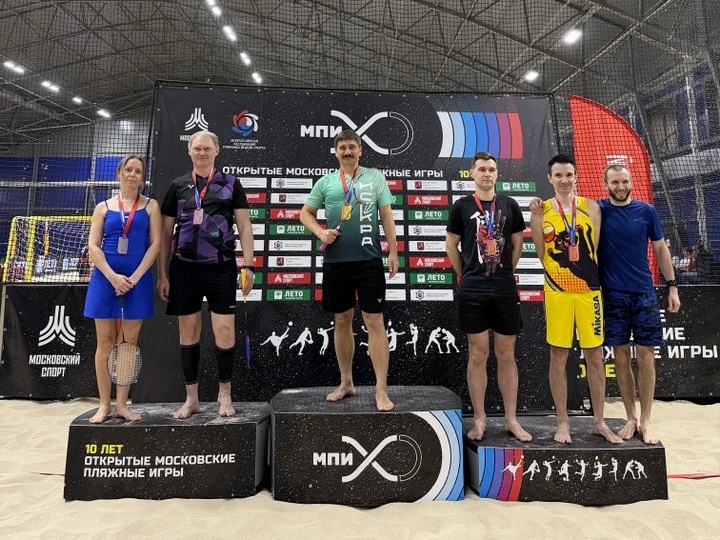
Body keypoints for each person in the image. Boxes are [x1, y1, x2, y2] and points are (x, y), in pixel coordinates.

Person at [157, 130, 254, 419]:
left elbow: (244, 226)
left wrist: (248, 266)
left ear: (216, 150)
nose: (202, 152)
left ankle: (225, 394)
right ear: (189, 151)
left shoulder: (231, 184)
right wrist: (162, 274)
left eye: (207, 148)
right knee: (188, 333)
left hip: (221, 266)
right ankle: (192, 399)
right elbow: (164, 233)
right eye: (197, 148)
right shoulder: (178, 186)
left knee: (224, 331)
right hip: (184, 267)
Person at [300, 129, 398, 411]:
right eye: (342, 147)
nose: (347, 151)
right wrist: (320, 232)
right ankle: (346, 382)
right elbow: (305, 213)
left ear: (360, 151)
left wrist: (393, 250)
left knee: (374, 320)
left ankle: (381, 390)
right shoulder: (326, 182)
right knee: (342, 320)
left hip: (369, 260)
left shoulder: (375, 177)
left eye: (351, 147)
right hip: (336, 261)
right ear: (336, 152)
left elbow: (386, 215)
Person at [530, 154, 622, 444]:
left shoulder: (591, 207)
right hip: (557, 291)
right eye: (558, 175)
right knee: (558, 355)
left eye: (569, 174)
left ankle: (599, 421)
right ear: (550, 178)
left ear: (576, 176)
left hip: (588, 292)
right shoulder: (541, 210)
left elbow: (593, 249)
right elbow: (542, 254)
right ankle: (562, 422)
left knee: (595, 355)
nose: (564, 180)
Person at [446, 151, 532, 442]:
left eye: (491, 169)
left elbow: (517, 245)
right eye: (482, 169)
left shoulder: (509, 205)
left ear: (497, 174)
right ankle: (480, 418)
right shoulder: (461, 206)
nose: (487, 173)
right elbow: (451, 245)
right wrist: (466, 274)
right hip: (473, 290)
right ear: (472, 173)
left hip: (504, 288)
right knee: (478, 353)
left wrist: (506, 271)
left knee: (506, 354)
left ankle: (511, 419)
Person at [598, 164, 680, 444]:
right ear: (606, 185)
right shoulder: (598, 210)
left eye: (624, 181)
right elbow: (567, 203)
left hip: (644, 294)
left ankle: (646, 420)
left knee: (646, 356)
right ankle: (630, 418)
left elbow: (660, 247)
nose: (620, 186)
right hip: (612, 295)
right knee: (620, 357)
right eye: (614, 182)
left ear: (631, 182)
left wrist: (672, 286)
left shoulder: (647, 211)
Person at [83, 155, 161, 423]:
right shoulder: (103, 207)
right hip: (105, 279)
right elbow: (93, 246)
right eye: (128, 169)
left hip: (137, 282)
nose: (132, 174)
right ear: (119, 173)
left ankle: (122, 405)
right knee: (105, 343)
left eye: (138, 171)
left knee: (127, 344)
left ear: (142, 177)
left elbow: (155, 245)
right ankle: (104, 405)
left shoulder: (151, 206)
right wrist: (113, 277)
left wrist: (135, 278)